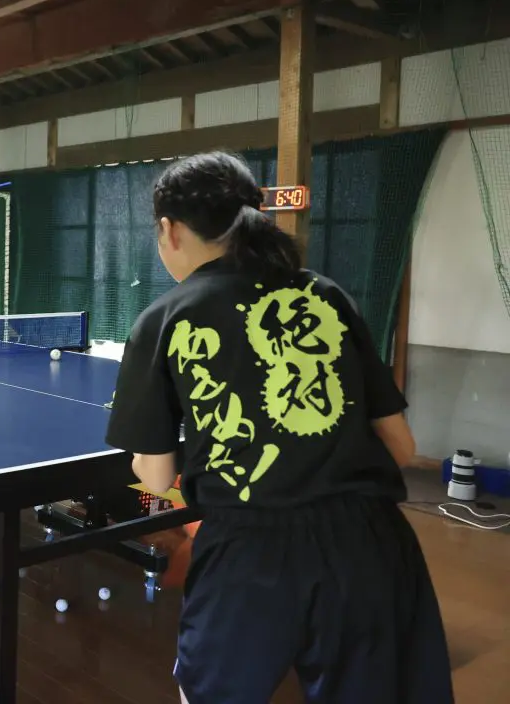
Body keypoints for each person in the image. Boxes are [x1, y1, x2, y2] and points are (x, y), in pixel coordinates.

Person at [104, 152, 452, 704]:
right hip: (370, 544)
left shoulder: (164, 319)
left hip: (248, 554)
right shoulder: (326, 295)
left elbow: (156, 478)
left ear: (169, 229)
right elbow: (403, 448)